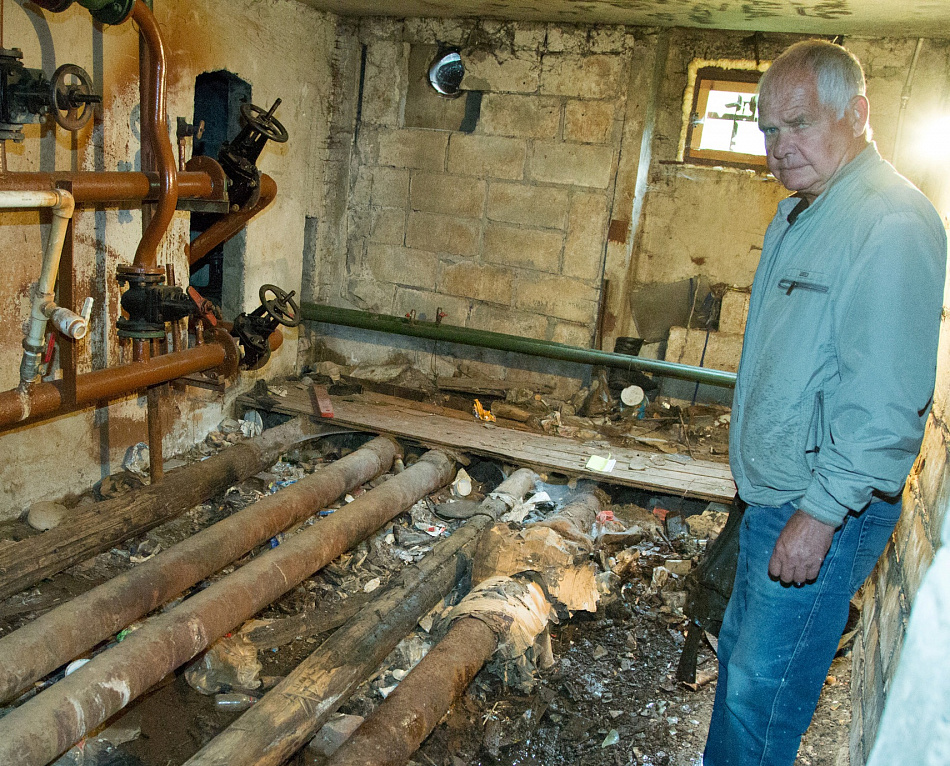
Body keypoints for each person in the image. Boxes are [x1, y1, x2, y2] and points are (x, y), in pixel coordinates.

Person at [703, 40, 947, 765]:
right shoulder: (806, 213)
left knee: (763, 697)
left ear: (858, 113)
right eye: (769, 132)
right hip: (774, 496)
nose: (779, 148)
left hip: (817, 508)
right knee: (743, 677)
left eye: (799, 124)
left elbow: (886, 399)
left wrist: (818, 516)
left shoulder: (891, 223)